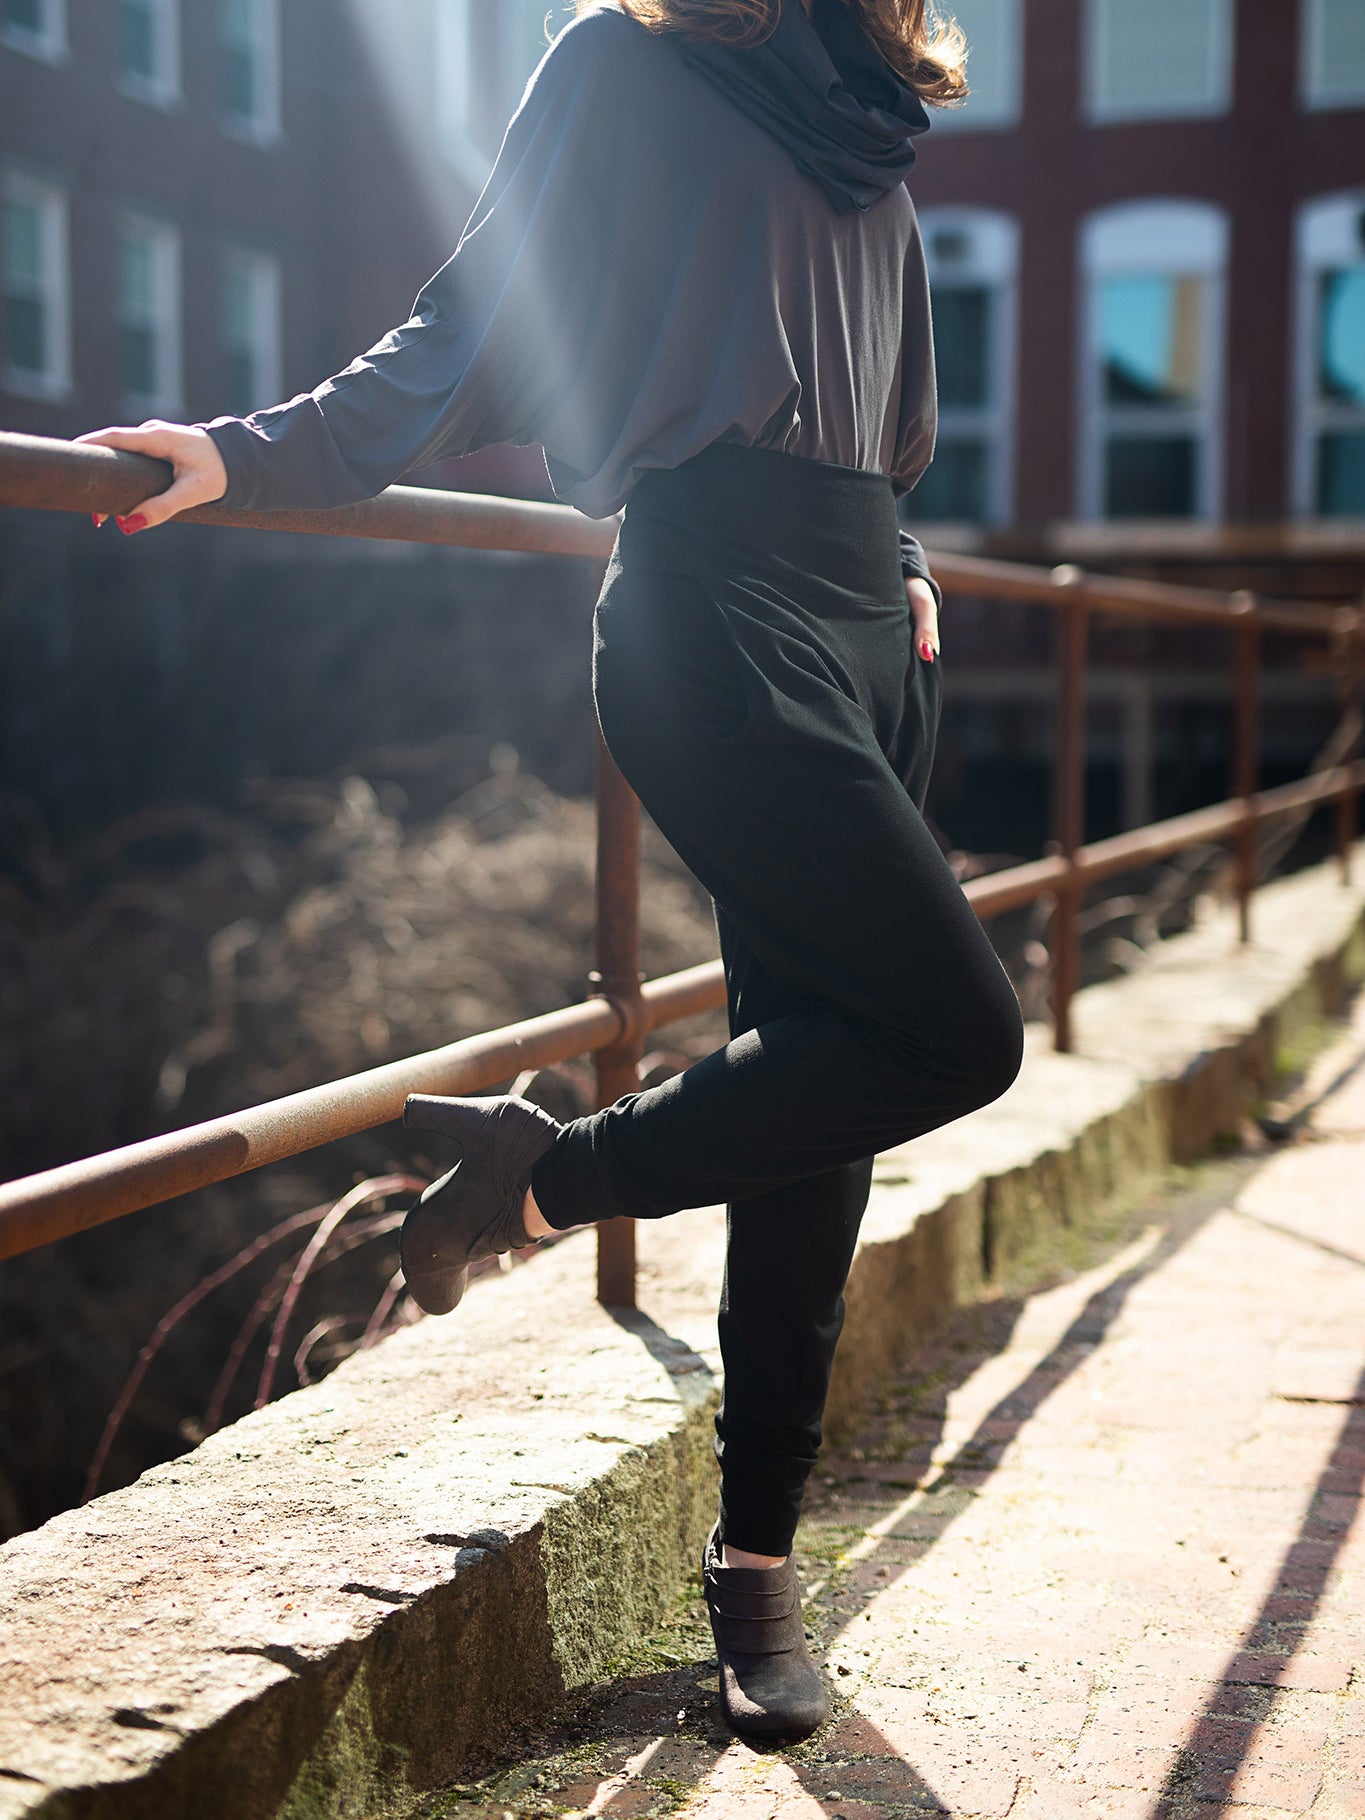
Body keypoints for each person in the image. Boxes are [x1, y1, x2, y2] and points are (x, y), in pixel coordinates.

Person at [79, 0, 1024, 1742]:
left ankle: (753, 1572)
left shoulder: (863, 94)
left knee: (818, 1103)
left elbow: (870, 378)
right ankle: (539, 1180)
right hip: (712, 616)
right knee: (956, 1034)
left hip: (866, 623)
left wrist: (892, 549)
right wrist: (250, 454)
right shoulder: (620, 58)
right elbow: (475, 319)